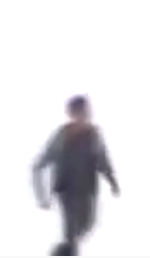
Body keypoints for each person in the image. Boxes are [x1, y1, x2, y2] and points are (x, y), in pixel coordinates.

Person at [31, 95, 120, 257]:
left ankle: (60, 252)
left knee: (88, 225)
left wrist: (112, 181)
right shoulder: (62, 136)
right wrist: (41, 196)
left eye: (86, 112)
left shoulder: (94, 135)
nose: (84, 117)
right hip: (66, 191)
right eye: (79, 113)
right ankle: (67, 252)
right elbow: (39, 165)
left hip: (87, 190)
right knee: (71, 234)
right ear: (71, 114)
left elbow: (102, 160)